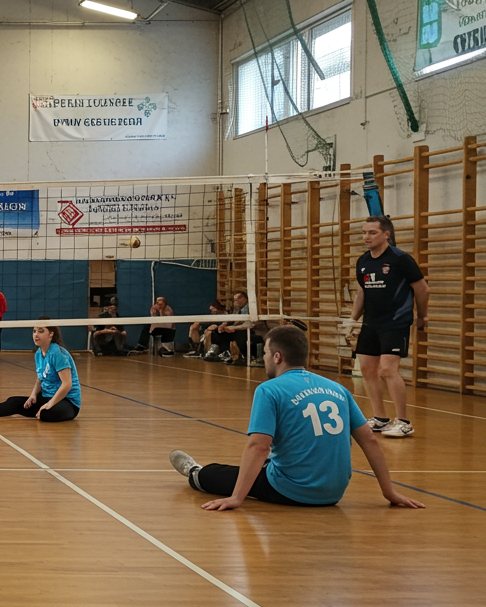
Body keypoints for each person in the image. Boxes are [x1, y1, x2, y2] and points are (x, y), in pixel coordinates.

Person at [169, 324, 424, 510]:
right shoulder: (338, 389)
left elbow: (259, 446)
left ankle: (195, 472)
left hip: (292, 491)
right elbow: (370, 440)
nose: (264, 358)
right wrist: (389, 492)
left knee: (218, 474)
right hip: (334, 493)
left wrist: (237, 498)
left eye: (265, 353)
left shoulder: (269, 390)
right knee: (269, 462)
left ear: (277, 357)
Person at [352, 215, 428, 438]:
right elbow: (361, 293)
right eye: (364, 232)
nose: (366, 237)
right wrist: (352, 320)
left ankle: (403, 422)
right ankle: (380, 418)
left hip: (395, 322)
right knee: (367, 369)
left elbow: (423, 289)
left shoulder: (400, 259)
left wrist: (422, 316)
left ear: (387, 234)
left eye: (372, 232)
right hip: (371, 323)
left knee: (387, 370)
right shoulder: (363, 261)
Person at [0, 317, 81, 423]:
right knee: (14, 401)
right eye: (34, 331)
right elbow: (40, 378)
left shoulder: (58, 354)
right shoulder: (38, 354)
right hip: (46, 396)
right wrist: (33, 395)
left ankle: (42, 410)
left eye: (41, 331)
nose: (36, 335)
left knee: (46, 414)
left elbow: (67, 384)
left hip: (67, 401)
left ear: (51, 334)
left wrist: (49, 404)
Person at [203, 291, 254, 364]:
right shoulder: (236, 308)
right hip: (237, 328)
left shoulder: (251, 309)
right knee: (218, 332)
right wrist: (223, 325)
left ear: (245, 298)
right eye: (235, 299)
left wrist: (234, 327)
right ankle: (222, 352)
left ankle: (240, 356)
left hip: (250, 331)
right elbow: (232, 318)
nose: (236, 301)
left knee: (239, 334)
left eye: (239, 298)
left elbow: (250, 324)